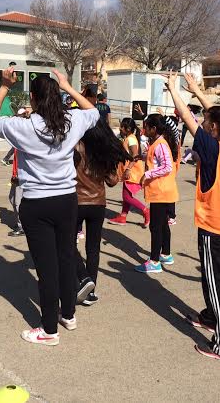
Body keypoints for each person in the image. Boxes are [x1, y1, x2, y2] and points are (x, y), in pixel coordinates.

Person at [0, 67, 99, 346]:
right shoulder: (71, 121)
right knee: (66, 259)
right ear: (57, 98)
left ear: (32, 98)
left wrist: (5, 87)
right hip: (67, 200)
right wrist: (69, 87)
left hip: (36, 202)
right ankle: (68, 315)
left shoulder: (23, 126)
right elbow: (94, 112)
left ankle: (48, 330)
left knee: (47, 269)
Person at [167, 71, 220, 363]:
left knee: (218, 285)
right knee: (216, 277)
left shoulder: (213, 149)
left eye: (208, 122)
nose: (204, 123)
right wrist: (197, 90)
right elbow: (219, 116)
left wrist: (175, 91)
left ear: (213, 127)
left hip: (216, 225)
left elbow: (188, 118)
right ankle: (211, 317)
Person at [74, 118, 126, 305]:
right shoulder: (102, 150)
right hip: (98, 203)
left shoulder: (76, 146)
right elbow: (112, 181)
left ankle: (83, 278)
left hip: (77, 201)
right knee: (93, 248)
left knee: (67, 243)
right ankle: (91, 290)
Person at [134, 114, 179, 273]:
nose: (144, 129)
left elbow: (167, 166)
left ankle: (154, 261)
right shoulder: (158, 143)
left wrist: (147, 174)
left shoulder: (160, 144)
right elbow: (158, 161)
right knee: (162, 225)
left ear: (154, 129)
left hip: (160, 191)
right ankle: (165, 254)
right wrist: (144, 156)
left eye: (146, 127)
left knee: (155, 227)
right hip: (163, 191)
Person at [109, 118, 149, 227]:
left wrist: (128, 169)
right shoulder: (128, 138)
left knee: (127, 197)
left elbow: (135, 156)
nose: (120, 129)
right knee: (126, 195)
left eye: (122, 127)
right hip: (130, 171)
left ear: (128, 129)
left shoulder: (131, 139)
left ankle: (145, 211)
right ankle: (122, 216)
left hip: (132, 172)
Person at [8, 148, 25, 236]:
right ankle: (20, 222)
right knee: (12, 198)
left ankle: (22, 227)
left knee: (18, 202)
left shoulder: (23, 143)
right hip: (16, 175)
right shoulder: (16, 144)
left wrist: (19, 175)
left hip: (21, 176)